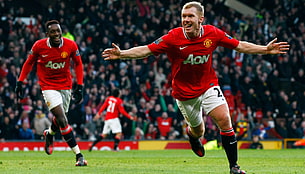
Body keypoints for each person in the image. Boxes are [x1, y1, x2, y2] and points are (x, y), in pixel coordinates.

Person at [101, 2, 290, 173]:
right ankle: (193, 137)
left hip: (208, 85)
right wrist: (122, 54)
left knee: (225, 119)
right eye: (183, 16)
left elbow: (239, 46)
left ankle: (234, 167)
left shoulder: (213, 34)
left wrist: (265, 49)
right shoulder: (173, 37)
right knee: (199, 131)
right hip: (184, 93)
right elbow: (147, 49)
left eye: (190, 16)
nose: (186, 20)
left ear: (201, 19)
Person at [15, 20, 87, 166]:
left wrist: (80, 85)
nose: (56, 34)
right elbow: (29, 63)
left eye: (58, 31)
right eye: (53, 32)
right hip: (47, 86)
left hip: (66, 85)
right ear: (47, 34)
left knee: (60, 118)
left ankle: (49, 133)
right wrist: (20, 81)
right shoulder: (39, 46)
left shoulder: (71, 45)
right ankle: (79, 155)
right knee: (62, 119)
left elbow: (78, 64)